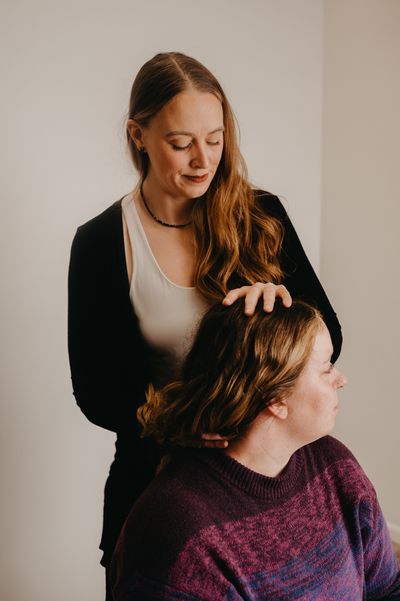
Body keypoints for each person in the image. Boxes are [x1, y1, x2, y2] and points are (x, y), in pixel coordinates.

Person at [67, 52, 342, 595]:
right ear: (138, 135)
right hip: (159, 480)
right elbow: (96, 392)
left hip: (273, 481)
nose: (202, 159)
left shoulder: (261, 216)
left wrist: (286, 310)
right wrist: (190, 421)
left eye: (214, 139)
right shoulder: (101, 244)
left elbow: (329, 337)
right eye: (180, 142)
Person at [110, 300, 400, 600]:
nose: (341, 380)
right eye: (326, 368)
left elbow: (388, 588)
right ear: (274, 397)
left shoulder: (335, 465)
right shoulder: (179, 534)